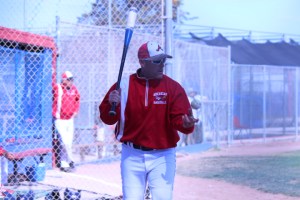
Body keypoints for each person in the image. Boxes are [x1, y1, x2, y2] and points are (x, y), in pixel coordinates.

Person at [99, 41, 198, 199]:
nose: (162, 65)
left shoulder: (173, 88)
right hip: (131, 154)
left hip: (162, 155)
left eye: (164, 60)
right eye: (157, 61)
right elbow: (108, 119)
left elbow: (180, 121)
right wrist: (111, 104)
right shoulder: (123, 85)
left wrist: (186, 125)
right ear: (142, 62)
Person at [52, 71, 80, 172]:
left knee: (69, 142)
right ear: (64, 80)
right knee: (64, 142)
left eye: (72, 79)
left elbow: (77, 99)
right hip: (60, 119)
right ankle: (65, 163)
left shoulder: (74, 89)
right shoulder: (58, 88)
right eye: (69, 79)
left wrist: (76, 110)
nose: (71, 81)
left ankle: (68, 162)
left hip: (70, 119)